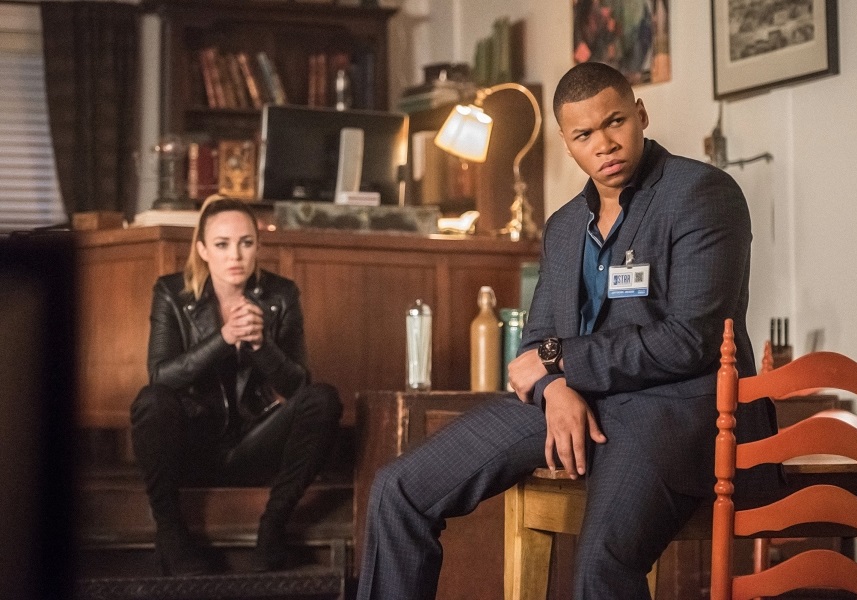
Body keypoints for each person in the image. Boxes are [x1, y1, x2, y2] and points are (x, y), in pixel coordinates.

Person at [356, 62, 776, 599]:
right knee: (398, 490)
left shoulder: (702, 193)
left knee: (599, 567)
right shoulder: (564, 226)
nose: (604, 144)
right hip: (578, 403)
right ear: (566, 142)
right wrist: (555, 390)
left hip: (676, 412)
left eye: (615, 122)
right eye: (584, 135)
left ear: (640, 115)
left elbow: (690, 340)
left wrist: (560, 362)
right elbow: (537, 345)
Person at [130, 196, 342, 575]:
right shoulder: (172, 293)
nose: (236, 256)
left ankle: (272, 527)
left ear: (258, 246)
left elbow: (298, 385)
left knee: (323, 399)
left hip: (253, 443)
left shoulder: (281, 294)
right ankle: (171, 534)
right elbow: (161, 376)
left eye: (246, 243)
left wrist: (262, 346)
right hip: (191, 446)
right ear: (203, 250)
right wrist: (224, 338)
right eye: (222, 244)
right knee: (152, 400)